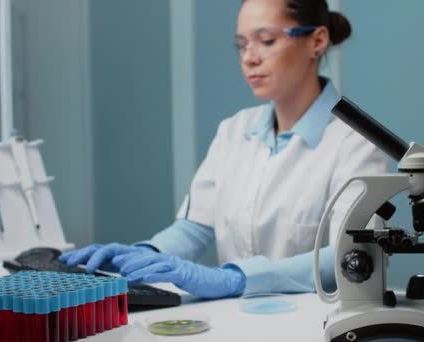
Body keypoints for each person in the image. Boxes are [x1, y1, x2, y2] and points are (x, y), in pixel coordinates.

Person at [60, 0, 389, 299]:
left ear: (317, 41)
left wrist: (236, 279)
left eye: (267, 40)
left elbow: (352, 255)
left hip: (313, 324)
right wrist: (146, 253)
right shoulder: (234, 131)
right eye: (242, 44)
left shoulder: (355, 143)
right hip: (236, 322)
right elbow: (194, 229)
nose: (250, 57)